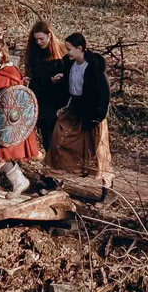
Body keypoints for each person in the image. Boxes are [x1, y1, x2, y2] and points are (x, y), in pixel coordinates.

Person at [0, 46, 44, 199]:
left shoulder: (11, 73)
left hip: (8, 125)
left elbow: (20, 101)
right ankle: (18, 182)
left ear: (1, 54)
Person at [48, 32, 114, 188]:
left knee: (97, 151)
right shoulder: (69, 64)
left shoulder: (94, 68)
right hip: (73, 109)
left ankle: (108, 188)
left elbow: (102, 93)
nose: (67, 52)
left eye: (69, 49)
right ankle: (57, 180)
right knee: (59, 140)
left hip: (91, 113)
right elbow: (69, 87)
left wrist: (98, 115)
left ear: (80, 48)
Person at [26, 19, 70, 150]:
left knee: (57, 136)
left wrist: (62, 77)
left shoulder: (61, 52)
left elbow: (70, 75)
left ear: (49, 35)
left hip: (57, 99)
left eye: (41, 39)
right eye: (36, 39)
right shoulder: (34, 53)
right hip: (41, 98)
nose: (39, 42)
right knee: (46, 135)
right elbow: (33, 74)